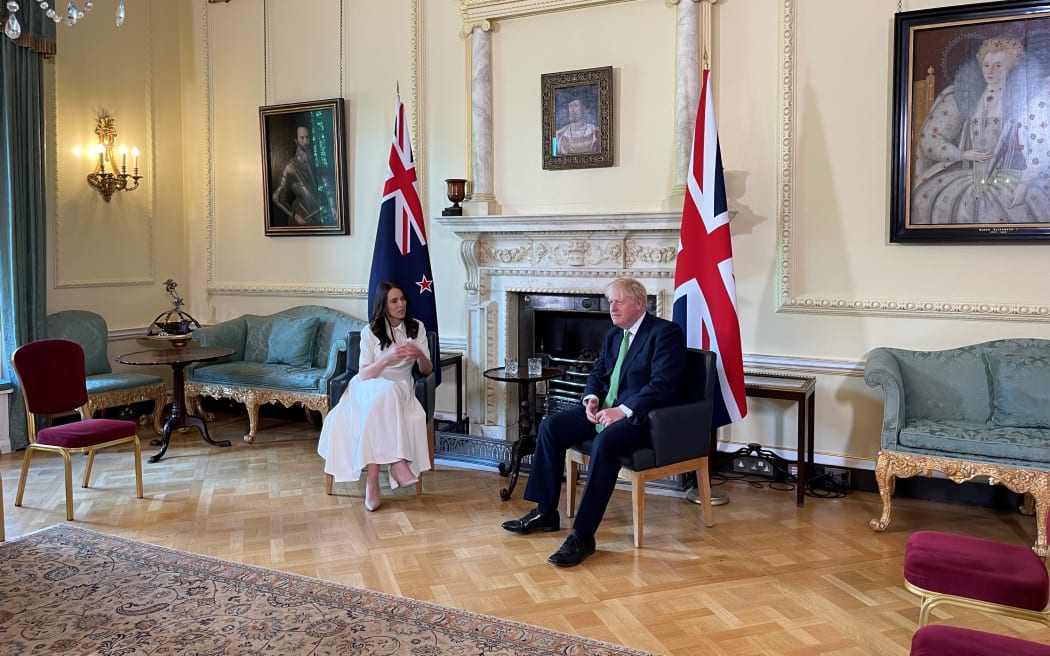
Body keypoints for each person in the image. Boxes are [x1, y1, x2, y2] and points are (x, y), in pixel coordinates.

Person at [501, 277, 686, 567]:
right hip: (604, 410)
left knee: (605, 443)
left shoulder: (665, 333)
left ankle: (583, 536)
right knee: (551, 427)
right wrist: (591, 399)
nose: (612, 307)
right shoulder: (614, 335)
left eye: (619, 301)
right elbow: (598, 374)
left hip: (642, 419)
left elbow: (663, 385)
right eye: (610, 301)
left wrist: (622, 410)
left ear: (639, 303)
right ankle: (546, 511)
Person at [317, 281, 433, 512]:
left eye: (403, 299)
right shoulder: (370, 331)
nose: (401, 304)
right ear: (384, 305)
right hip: (367, 385)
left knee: (386, 395)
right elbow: (364, 373)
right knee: (383, 392)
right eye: (394, 301)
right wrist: (386, 358)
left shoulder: (417, 328)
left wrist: (420, 353)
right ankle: (396, 462)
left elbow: (427, 370)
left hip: (400, 385)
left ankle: (373, 480)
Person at [911, 36, 1032, 224]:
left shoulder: (1025, 100)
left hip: (1010, 179)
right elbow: (930, 140)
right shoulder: (964, 95)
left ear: (1011, 67)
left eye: (998, 66)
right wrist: (963, 154)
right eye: (986, 65)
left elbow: (1038, 149)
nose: (990, 71)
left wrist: (1024, 184)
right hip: (966, 177)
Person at [272, 125, 336, 226]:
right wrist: (295, 215)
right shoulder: (291, 167)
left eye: (307, 137)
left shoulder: (313, 161)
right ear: (296, 141)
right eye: (302, 138)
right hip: (302, 216)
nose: (305, 141)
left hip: (317, 216)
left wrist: (332, 205)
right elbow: (277, 197)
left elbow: (326, 180)